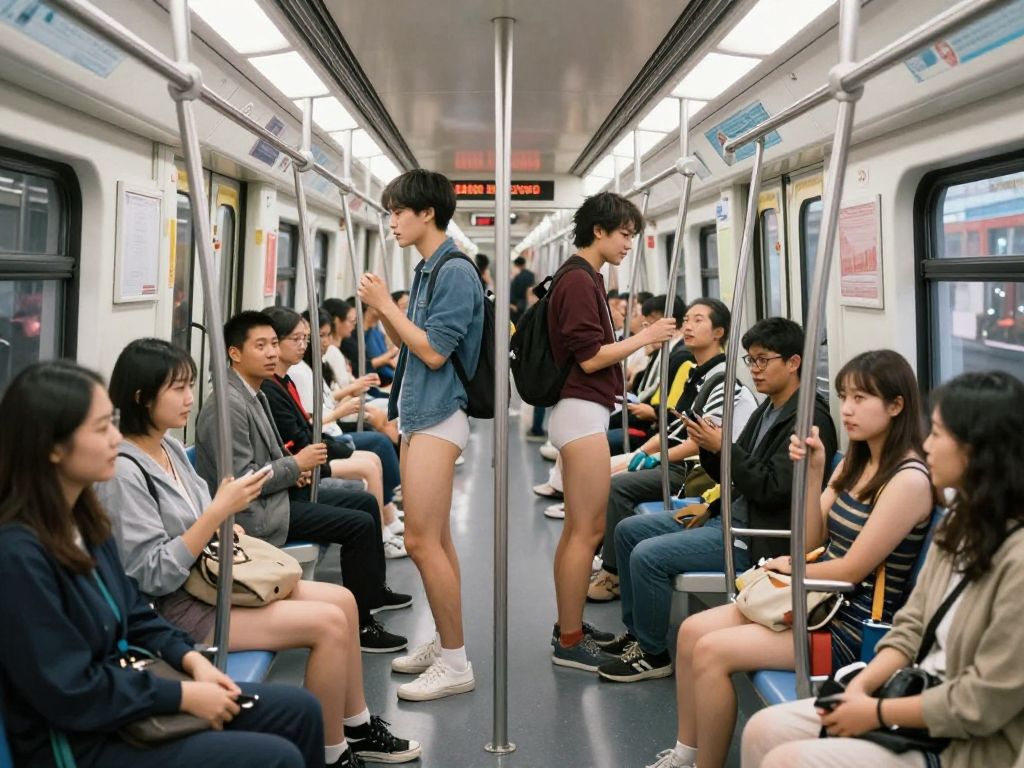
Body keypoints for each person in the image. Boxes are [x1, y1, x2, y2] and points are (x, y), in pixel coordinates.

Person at [99, 338, 421, 765]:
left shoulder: (170, 447)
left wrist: (217, 517)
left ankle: (357, 726)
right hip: (179, 605)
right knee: (326, 626)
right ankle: (332, 752)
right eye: (177, 388)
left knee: (343, 603)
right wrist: (218, 513)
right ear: (141, 397)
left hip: (212, 577)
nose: (189, 398)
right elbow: (153, 575)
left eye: (190, 385)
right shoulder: (124, 473)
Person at [0, 361, 324, 768]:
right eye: (101, 429)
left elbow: (135, 612)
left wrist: (192, 662)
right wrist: (184, 695)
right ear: (52, 446)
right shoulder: (18, 557)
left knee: (299, 711)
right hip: (81, 741)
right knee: (276, 758)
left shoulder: (82, 520)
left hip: (125, 696)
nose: (116, 439)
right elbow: (70, 691)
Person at [649, 349, 933, 768]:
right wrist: (815, 474)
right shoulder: (854, 463)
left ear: (896, 406)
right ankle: (685, 754)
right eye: (845, 397)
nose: (848, 410)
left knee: (711, 653)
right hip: (817, 597)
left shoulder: (907, 480)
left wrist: (790, 568)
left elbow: (853, 569)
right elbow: (809, 542)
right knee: (692, 633)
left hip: (850, 623)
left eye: (861, 399)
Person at [744, 369, 1024, 768]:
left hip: (962, 740)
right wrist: (861, 688)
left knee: (787, 760)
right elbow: (910, 626)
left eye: (939, 434)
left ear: (977, 450)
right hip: (911, 692)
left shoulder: (1016, 561)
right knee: (763, 731)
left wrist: (875, 713)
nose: (926, 445)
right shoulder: (963, 522)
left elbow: (982, 701)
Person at [194, 310, 410, 654]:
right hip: (255, 515)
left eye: (273, 344)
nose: (271, 353)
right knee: (356, 525)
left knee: (365, 503)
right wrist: (295, 465)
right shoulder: (229, 406)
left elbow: (272, 456)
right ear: (234, 353)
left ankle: (372, 593)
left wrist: (297, 470)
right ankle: (362, 626)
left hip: (277, 496)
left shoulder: (255, 392)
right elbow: (242, 480)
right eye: (261, 345)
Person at [357, 169, 484, 701]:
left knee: (417, 541)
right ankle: (442, 640)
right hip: (417, 413)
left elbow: (434, 351)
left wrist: (387, 305)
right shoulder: (429, 269)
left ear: (426, 212)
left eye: (396, 212)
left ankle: (456, 663)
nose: (391, 223)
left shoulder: (453, 271)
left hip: (438, 414)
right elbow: (413, 346)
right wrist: (387, 314)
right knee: (438, 541)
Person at [545, 191, 677, 671]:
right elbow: (590, 356)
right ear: (598, 230)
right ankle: (571, 641)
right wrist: (645, 337)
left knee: (578, 532)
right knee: (589, 530)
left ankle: (569, 626)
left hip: (583, 411)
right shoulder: (580, 281)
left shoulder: (585, 277)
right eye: (624, 234)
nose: (628, 244)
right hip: (581, 413)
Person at [587, 301, 758, 608]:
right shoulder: (694, 371)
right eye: (687, 320)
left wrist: (658, 458)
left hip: (697, 469)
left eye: (698, 320)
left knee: (617, 485)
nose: (688, 326)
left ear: (719, 332)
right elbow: (675, 427)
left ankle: (613, 574)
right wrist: (645, 451)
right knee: (609, 475)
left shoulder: (722, 378)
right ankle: (604, 557)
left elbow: (700, 441)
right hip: (681, 457)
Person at [260, 307, 406, 559]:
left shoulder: (288, 380)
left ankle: (388, 515)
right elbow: (302, 434)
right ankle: (383, 531)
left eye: (306, 338)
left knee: (373, 452)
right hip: (306, 460)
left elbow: (305, 426)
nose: (305, 345)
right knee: (372, 457)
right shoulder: (279, 384)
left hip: (313, 448)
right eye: (297, 339)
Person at [510, 255, 535, 326]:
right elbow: (530, 291)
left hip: (515, 307)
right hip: (523, 306)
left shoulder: (516, 276)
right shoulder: (531, 275)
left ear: (515, 265)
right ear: (524, 264)